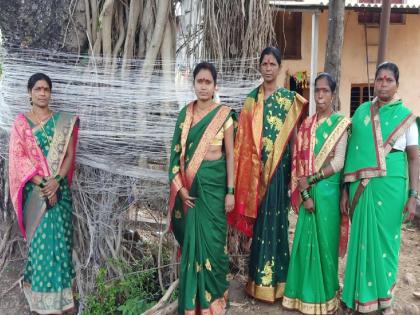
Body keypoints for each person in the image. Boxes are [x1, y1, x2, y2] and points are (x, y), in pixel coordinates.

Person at [228, 47, 307, 302]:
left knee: (278, 223)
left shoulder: (288, 99)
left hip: (280, 170)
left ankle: (280, 283)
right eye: (265, 63)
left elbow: (294, 137)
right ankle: (257, 282)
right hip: (255, 174)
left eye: (273, 63)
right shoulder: (252, 100)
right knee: (261, 224)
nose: (269, 67)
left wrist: (294, 170)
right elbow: (242, 139)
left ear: (279, 67)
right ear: (260, 67)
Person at [341, 62, 419, 314]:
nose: (383, 84)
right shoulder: (361, 113)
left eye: (389, 80)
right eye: (380, 79)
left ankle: (383, 298)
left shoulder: (407, 117)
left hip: (392, 186)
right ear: (374, 82)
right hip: (361, 188)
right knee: (360, 239)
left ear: (397, 84)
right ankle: (357, 296)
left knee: (386, 240)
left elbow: (414, 158)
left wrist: (413, 195)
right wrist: (344, 188)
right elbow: (351, 154)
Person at [9, 73, 79, 314]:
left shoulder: (62, 121)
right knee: (41, 247)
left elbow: (69, 155)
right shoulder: (21, 124)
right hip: (36, 195)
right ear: (29, 92)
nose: (42, 93)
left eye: (46, 89)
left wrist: (57, 181)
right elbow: (19, 160)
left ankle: (63, 303)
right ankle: (42, 304)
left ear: (50, 93)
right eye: (38, 89)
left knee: (60, 247)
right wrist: (43, 184)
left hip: (59, 194)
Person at [168, 62, 235, 314]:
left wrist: (230, 191)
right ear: (193, 84)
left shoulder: (225, 115)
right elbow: (174, 157)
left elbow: (230, 156)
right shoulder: (184, 116)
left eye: (208, 82)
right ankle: (193, 303)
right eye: (200, 81)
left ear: (215, 85)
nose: (204, 86)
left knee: (215, 246)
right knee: (192, 246)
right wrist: (180, 189)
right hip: (190, 192)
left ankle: (216, 301)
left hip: (216, 189)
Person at [282, 73, 350, 314]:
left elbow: (340, 162)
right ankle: (302, 295)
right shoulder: (306, 126)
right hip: (308, 193)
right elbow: (297, 166)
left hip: (330, 193)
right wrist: (304, 194)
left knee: (326, 244)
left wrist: (312, 179)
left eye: (325, 91)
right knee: (304, 243)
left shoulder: (341, 124)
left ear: (333, 94)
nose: (320, 95)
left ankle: (327, 295)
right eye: (317, 90)